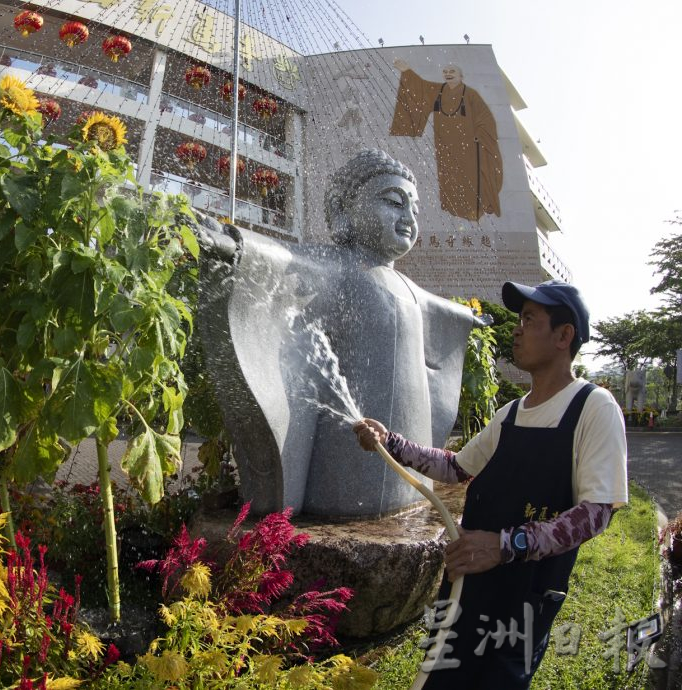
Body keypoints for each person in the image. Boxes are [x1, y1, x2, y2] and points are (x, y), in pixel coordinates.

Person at [353, 279, 628, 688]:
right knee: (439, 679)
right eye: (519, 319)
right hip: (469, 584)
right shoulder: (511, 413)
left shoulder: (592, 407)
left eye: (530, 320)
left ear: (564, 335)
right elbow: (455, 468)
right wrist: (389, 441)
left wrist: (504, 546)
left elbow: (596, 514)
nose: (517, 329)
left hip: (524, 598)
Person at [196, 149, 478, 517]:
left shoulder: (409, 287)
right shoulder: (336, 267)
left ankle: (410, 487)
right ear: (344, 208)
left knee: (407, 480)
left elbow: (438, 310)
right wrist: (235, 246)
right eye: (393, 202)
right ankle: (332, 499)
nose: (408, 216)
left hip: (407, 462)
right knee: (347, 487)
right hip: (344, 467)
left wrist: (465, 316)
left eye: (414, 209)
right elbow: (283, 259)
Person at [390, 59, 503, 223]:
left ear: (461, 76)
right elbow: (420, 89)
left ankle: (472, 210)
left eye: (452, 72)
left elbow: (486, 119)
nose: (448, 74)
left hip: (469, 147)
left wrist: (480, 135)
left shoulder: (471, 94)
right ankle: (453, 207)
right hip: (445, 145)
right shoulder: (438, 91)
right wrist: (407, 71)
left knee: (469, 176)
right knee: (449, 176)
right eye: (446, 72)